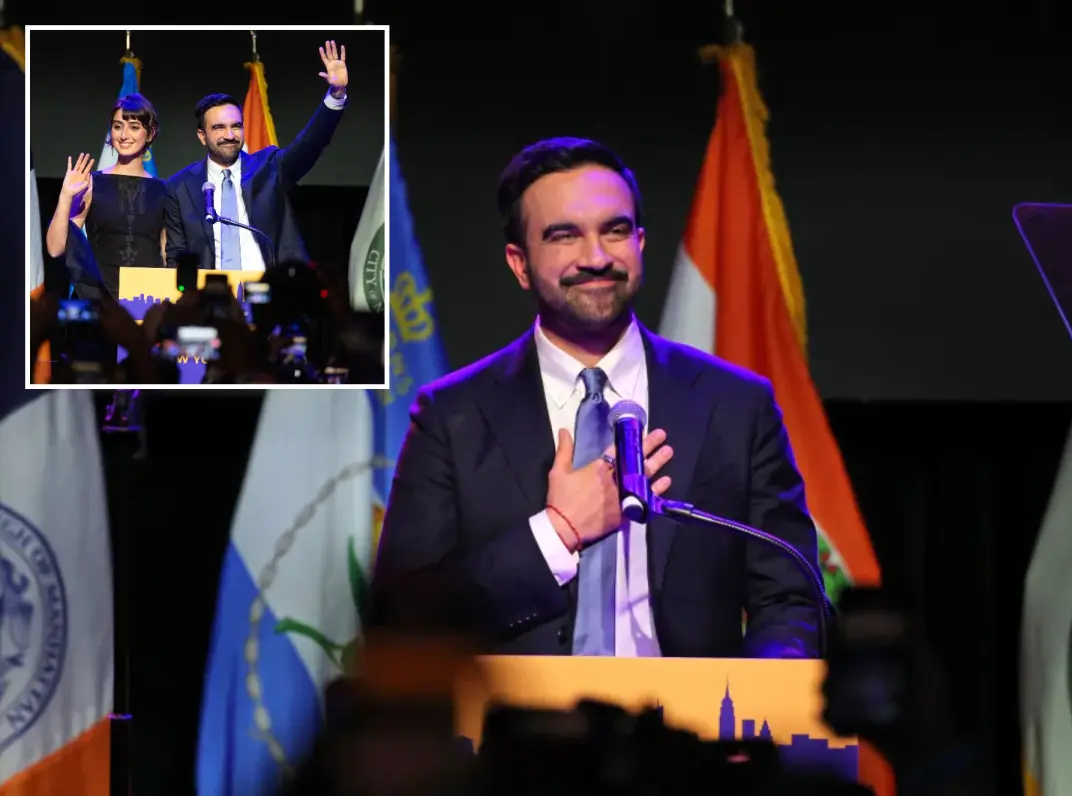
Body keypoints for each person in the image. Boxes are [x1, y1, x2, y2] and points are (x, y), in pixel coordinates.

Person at [375, 137, 823, 659]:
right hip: (519, 733)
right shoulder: (452, 417)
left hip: (688, 734)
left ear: (640, 242)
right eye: (564, 236)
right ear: (519, 264)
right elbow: (403, 619)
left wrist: (753, 715)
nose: (596, 257)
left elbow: (790, 599)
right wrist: (557, 532)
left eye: (615, 231)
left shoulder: (736, 406)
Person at [163, 39, 349, 272]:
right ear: (202, 136)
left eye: (236, 126)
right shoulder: (180, 187)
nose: (229, 135)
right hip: (211, 297)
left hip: (272, 296)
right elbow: (177, 255)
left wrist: (336, 94)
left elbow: (311, 143)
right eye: (219, 128)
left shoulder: (270, 166)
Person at [45, 93, 168, 299]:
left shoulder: (164, 190)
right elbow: (55, 248)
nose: (124, 135)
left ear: (150, 133)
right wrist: (65, 196)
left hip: (145, 301)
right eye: (118, 126)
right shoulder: (91, 183)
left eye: (134, 127)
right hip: (98, 299)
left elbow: (166, 255)